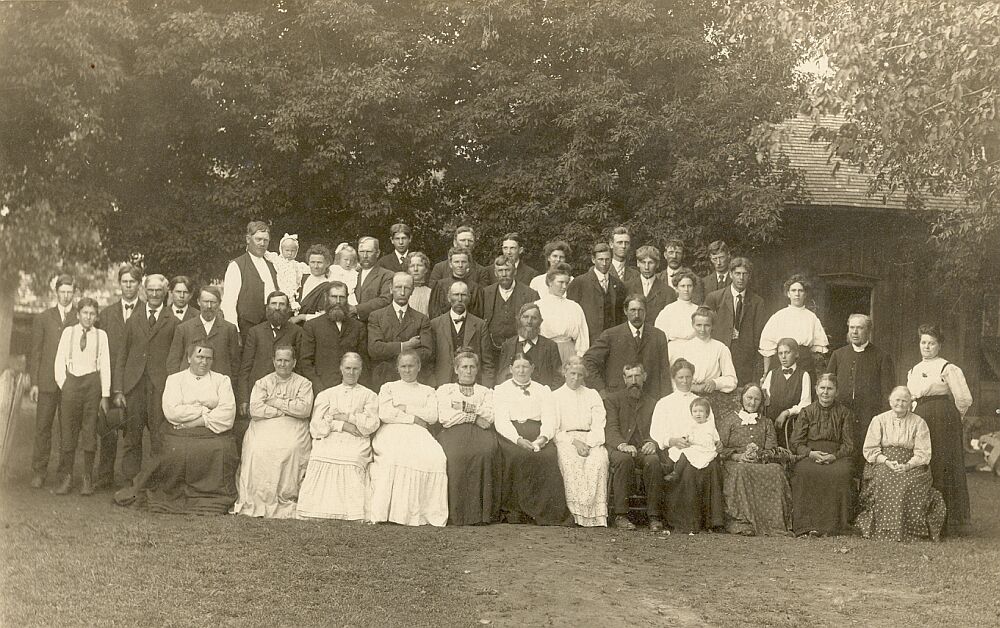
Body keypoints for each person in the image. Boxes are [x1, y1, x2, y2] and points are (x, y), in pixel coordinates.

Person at [124, 341, 238, 514]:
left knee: (221, 448)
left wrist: (195, 421)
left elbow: (227, 415)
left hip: (208, 432)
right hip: (179, 432)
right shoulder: (175, 380)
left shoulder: (222, 381)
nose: (204, 362)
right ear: (189, 358)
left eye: (208, 358)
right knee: (174, 450)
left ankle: (211, 493)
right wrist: (205, 409)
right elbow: (172, 412)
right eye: (199, 357)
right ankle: (173, 490)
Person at [906, 324, 972, 536]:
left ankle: (944, 520)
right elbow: (911, 396)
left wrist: (954, 418)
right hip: (921, 417)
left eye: (931, 343)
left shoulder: (947, 367)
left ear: (939, 345)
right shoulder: (914, 369)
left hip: (943, 419)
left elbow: (963, 398)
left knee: (942, 463)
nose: (927, 346)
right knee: (924, 463)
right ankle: (921, 517)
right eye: (923, 342)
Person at [855, 386, 946, 542]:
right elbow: (870, 449)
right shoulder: (879, 420)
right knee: (884, 479)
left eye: (905, 400)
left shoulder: (919, 423)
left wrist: (908, 465)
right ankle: (882, 528)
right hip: (883, 462)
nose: (901, 404)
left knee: (907, 484)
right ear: (890, 401)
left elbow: (923, 452)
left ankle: (909, 530)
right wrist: (887, 461)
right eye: (897, 400)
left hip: (912, 464)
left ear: (910, 403)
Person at [369, 351, 449, 526]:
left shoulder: (428, 391)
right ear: (397, 368)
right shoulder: (388, 387)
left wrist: (405, 407)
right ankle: (390, 512)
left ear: (418, 367)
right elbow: (386, 413)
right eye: (403, 366)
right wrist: (413, 418)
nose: (407, 370)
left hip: (419, 433)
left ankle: (422, 513)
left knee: (436, 458)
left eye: (411, 366)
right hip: (393, 431)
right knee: (395, 456)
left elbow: (432, 416)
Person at [233, 345, 313, 518]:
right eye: (279, 360)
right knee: (256, 447)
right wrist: (285, 409)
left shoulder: (304, 383)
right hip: (264, 424)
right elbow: (255, 410)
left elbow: (304, 409)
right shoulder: (262, 383)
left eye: (286, 360)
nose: (282, 364)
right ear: (273, 361)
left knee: (291, 447)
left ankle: (287, 495)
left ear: (294, 362)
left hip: (293, 425)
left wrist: (275, 402)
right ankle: (259, 496)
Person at [296, 352, 379, 521]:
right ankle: (315, 510)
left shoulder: (369, 395)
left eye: (356, 369)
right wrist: (342, 424)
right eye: (348, 368)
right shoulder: (327, 395)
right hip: (331, 436)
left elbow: (370, 425)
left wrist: (347, 417)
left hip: (357, 438)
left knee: (352, 456)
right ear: (341, 369)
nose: (351, 372)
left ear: (361, 370)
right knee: (321, 454)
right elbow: (316, 427)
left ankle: (351, 512)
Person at [113, 274, 178, 485]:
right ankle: (129, 484)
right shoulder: (134, 318)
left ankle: (153, 482)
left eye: (159, 290)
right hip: (134, 386)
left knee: (158, 437)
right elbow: (122, 355)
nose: (154, 294)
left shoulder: (173, 321)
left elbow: (174, 358)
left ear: (165, 292)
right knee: (132, 436)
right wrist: (119, 390)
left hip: (159, 387)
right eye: (150, 290)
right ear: (144, 291)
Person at [493, 353, 572, 525]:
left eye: (525, 366)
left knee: (548, 456)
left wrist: (543, 438)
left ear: (532, 368)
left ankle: (545, 511)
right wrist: (518, 439)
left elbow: (550, 417)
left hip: (537, 432)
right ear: (510, 369)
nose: (521, 371)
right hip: (511, 434)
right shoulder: (501, 390)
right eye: (518, 367)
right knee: (517, 456)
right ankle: (516, 511)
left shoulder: (542, 390)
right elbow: (501, 421)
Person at [650, 358, 725, 533]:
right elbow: (656, 432)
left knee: (712, 466)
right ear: (674, 378)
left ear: (693, 378)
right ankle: (688, 522)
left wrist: (717, 442)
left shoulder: (701, 402)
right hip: (676, 449)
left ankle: (714, 521)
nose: (684, 381)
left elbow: (710, 427)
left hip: (702, 448)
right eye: (680, 377)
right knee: (689, 467)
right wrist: (673, 440)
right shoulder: (664, 403)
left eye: (688, 377)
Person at [52, 298, 111, 495]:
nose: (88, 317)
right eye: (85, 313)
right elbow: (59, 359)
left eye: (92, 314)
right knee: (68, 429)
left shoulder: (101, 336)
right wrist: (64, 384)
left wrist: (105, 394)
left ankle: (87, 478)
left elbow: (105, 365)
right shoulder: (69, 332)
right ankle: (67, 477)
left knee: (89, 430)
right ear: (78, 315)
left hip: (92, 384)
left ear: (96, 316)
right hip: (71, 384)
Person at [435, 350, 501, 525]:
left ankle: (482, 515)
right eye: (464, 367)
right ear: (456, 369)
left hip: (481, 433)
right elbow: (446, 418)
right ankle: (458, 513)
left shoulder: (485, 392)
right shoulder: (446, 390)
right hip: (453, 432)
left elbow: (489, 417)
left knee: (486, 453)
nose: (469, 371)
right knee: (456, 456)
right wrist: (474, 416)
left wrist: (463, 406)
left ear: (477, 369)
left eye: (472, 367)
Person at [716, 384, 792, 536]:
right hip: (735, 462)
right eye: (749, 398)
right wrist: (738, 456)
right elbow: (720, 448)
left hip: (760, 461)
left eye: (757, 399)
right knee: (741, 470)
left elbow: (772, 449)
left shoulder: (766, 423)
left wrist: (758, 455)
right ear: (742, 398)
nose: (752, 402)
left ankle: (773, 522)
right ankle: (742, 522)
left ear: (761, 402)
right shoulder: (729, 420)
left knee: (776, 470)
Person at [827, 313, 896, 472]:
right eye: (852, 327)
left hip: (869, 417)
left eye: (859, 328)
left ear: (869, 331)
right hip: (841, 416)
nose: (855, 332)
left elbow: (888, 393)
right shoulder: (838, 355)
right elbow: (828, 385)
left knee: (865, 459)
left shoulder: (882, 356)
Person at [789, 373, 856, 537]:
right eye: (822, 388)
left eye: (830, 389)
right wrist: (810, 453)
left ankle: (836, 526)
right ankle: (806, 524)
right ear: (816, 390)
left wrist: (834, 456)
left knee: (841, 473)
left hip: (836, 455)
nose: (826, 392)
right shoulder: (806, 412)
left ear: (836, 392)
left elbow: (849, 444)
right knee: (804, 471)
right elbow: (796, 443)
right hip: (810, 454)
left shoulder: (844, 413)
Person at [95, 264, 142, 488]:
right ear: (119, 284)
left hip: (136, 383)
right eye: (125, 281)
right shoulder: (106, 314)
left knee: (134, 432)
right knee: (108, 430)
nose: (129, 285)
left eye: (133, 282)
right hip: (110, 380)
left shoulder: (146, 311)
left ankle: (131, 479)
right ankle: (104, 477)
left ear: (139, 284)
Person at [27, 274, 77, 488]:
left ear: (74, 293)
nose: (65, 296)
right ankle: (39, 472)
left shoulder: (80, 317)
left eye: (69, 292)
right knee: (43, 427)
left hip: (70, 383)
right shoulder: (44, 317)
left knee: (68, 428)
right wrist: (35, 383)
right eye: (62, 292)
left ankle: (64, 473)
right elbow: (35, 352)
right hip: (47, 382)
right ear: (56, 292)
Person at [604, 364, 666, 531]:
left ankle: (654, 517)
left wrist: (652, 442)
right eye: (630, 377)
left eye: (637, 376)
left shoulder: (653, 403)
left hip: (642, 448)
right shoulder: (613, 400)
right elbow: (610, 428)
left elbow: (659, 429)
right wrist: (622, 444)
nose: (634, 381)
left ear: (644, 377)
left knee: (653, 461)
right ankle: (621, 516)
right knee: (624, 460)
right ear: (624, 379)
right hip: (619, 448)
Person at [237, 291, 302, 443]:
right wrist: (244, 398)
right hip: (260, 395)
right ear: (267, 307)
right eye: (274, 304)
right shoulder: (255, 332)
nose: (277, 308)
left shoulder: (296, 332)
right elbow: (246, 367)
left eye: (281, 304)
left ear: (287, 308)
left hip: (286, 394)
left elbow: (299, 367)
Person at [551, 357, 609, 527]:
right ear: (565, 373)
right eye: (572, 373)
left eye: (580, 375)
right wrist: (575, 442)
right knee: (571, 462)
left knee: (599, 461)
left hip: (591, 438)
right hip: (567, 440)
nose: (575, 378)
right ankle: (575, 514)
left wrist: (589, 443)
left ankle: (595, 516)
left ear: (585, 375)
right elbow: (555, 429)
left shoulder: (592, 395)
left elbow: (600, 424)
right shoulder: (555, 396)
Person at [583, 295, 670, 400]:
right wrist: (601, 390)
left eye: (640, 310)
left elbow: (664, 371)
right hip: (617, 397)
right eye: (633, 310)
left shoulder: (658, 335)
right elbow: (588, 361)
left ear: (646, 311)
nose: (637, 315)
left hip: (649, 398)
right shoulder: (611, 335)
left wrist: (666, 400)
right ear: (625, 311)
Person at [704, 257, 766, 385]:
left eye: (745, 274)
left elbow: (758, 332)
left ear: (749, 276)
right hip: (719, 351)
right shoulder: (715, 297)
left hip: (744, 356)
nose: (741, 278)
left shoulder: (757, 302)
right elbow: (704, 324)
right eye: (737, 273)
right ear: (731, 274)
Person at [367, 272, 434, 390]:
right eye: (398, 287)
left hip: (412, 378)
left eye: (407, 288)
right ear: (391, 289)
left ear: (412, 291)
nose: (402, 292)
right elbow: (374, 349)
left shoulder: (422, 319)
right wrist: (405, 346)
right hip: (383, 377)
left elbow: (426, 352)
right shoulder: (376, 316)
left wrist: (394, 353)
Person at [668, 307, 738, 416]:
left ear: (712, 326)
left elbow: (732, 380)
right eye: (698, 325)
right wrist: (690, 386)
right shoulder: (683, 348)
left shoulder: (720, 348)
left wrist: (715, 383)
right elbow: (673, 378)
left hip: (710, 399)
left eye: (707, 325)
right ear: (692, 325)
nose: (702, 330)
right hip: (686, 396)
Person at [299, 281, 368, 392]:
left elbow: (363, 361)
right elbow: (306, 362)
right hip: (322, 388)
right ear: (326, 298)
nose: (338, 301)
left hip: (352, 388)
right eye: (334, 297)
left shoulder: (358, 327)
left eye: (342, 297)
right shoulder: (312, 326)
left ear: (347, 299)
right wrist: (319, 388)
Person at [481, 256, 540, 385]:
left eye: (507, 270)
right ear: (495, 273)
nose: (504, 274)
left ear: (515, 271)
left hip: (518, 349)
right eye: (500, 271)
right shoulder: (485, 293)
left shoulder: (530, 294)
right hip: (491, 349)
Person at [759, 273, 829, 377]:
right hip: (781, 363)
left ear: (805, 294)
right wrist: (765, 373)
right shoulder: (778, 316)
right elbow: (767, 348)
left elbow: (818, 351)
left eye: (800, 291)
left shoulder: (812, 318)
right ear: (788, 293)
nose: (797, 294)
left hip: (805, 364)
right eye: (793, 290)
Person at [166, 286, 242, 378]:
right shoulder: (184, 328)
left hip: (218, 386)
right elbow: (173, 362)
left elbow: (235, 363)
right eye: (205, 302)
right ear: (198, 302)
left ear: (219, 303)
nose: (209, 306)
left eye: (213, 302)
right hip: (190, 385)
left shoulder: (229, 329)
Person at [221, 220, 279, 340]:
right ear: (248, 239)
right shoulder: (237, 265)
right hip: (246, 330)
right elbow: (229, 304)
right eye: (258, 239)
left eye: (266, 240)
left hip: (270, 328)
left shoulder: (272, 265)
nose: (262, 243)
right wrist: (235, 332)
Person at [429, 281, 488, 386]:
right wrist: (433, 385)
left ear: (469, 298)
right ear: (448, 297)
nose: (460, 299)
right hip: (443, 383)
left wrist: (487, 387)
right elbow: (430, 361)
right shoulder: (435, 324)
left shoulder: (480, 325)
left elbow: (487, 362)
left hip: (472, 383)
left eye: (463, 295)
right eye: (456, 295)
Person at [495, 303, 563, 389]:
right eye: (525, 317)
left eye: (534, 318)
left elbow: (559, 377)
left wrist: (548, 395)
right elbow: (502, 376)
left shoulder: (550, 346)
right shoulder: (508, 345)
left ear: (540, 322)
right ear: (519, 320)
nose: (529, 321)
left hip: (542, 397)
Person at [568, 242, 625, 344]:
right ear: (593, 260)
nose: (604, 263)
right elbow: (571, 313)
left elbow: (621, 315)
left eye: (607, 260)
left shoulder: (618, 284)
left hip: (612, 339)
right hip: (588, 339)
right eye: (600, 259)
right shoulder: (580, 282)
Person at [761, 338, 812, 449]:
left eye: (787, 352)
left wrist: (787, 412)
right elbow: (764, 399)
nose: (783, 357)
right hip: (772, 424)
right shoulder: (772, 374)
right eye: (780, 353)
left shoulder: (803, 375)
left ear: (796, 354)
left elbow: (806, 403)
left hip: (792, 424)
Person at [536, 263, 589, 362]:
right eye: (560, 282)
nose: (564, 286)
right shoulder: (538, 306)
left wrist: (579, 357)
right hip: (545, 352)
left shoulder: (574, 307)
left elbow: (582, 337)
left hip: (569, 352)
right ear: (549, 282)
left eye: (566, 282)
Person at [662, 397, 720, 484]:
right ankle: (671, 469)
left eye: (701, 411)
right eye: (695, 411)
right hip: (695, 448)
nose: (698, 414)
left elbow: (716, 439)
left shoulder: (710, 427)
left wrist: (717, 443)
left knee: (687, 453)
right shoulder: (692, 426)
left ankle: (676, 473)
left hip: (706, 450)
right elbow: (687, 436)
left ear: (707, 414)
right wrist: (685, 439)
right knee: (678, 451)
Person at [428, 247, 485, 319]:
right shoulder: (440, 285)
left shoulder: (476, 288)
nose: (460, 265)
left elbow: (478, 314)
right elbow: (434, 312)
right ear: (450, 264)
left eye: (464, 262)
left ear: (469, 264)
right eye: (456, 262)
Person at [624, 244, 675, 324]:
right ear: (638, 263)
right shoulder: (626, 287)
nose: (646, 267)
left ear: (657, 264)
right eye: (643, 262)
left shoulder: (668, 292)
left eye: (650, 263)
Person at [654, 269, 699, 357]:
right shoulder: (668, 310)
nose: (686, 289)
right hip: (673, 351)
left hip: (695, 351)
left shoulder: (698, 310)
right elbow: (660, 337)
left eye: (689, 286)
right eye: (682, 286)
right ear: (676, 288)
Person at [352, 236, 394, 322]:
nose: (365, 256)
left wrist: (357, 309)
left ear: (377, 253)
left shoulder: (387, 275)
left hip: (373, 324)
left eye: (369, 252)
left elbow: (385, 300)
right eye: (361, 252)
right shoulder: (352, 273)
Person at [264, 233, 309, 313]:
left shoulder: (297, 265)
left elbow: (308, 269)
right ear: (281, 250)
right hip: (281, 285)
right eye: (287, 250)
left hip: (292, 287)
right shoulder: (278, 260)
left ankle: (292, 305)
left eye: (293, 251)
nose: (290, 253)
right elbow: (267, 254)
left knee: (292, 292)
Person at [292, 244, 333, 319]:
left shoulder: (328, 286)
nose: (315, 266)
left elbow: (324, 316)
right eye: (312, 262)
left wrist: (301, 317)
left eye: (319, 262)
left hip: (312, 327)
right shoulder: (302, 279)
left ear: (327, 263)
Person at [406, 251, 433, 315]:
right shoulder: (404, 292)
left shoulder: (431, 293)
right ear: (407, 269)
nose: (415, 269)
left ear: (426, 269)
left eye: (419, 265)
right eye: (412, 266)